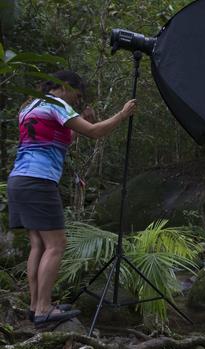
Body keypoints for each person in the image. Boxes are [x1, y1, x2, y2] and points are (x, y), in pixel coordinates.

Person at [8, 70, 136, 328]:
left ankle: (35, 306)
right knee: (56, 244)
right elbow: (96, 132)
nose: (76, 102)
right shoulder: (58, 104)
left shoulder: (30, 105)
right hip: (39, 180)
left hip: (19, 178)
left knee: (38, 245)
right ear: (65, 87)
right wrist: (122, 115)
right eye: (76, 96)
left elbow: (54, 137)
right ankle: (45, 309)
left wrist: (81, 122)